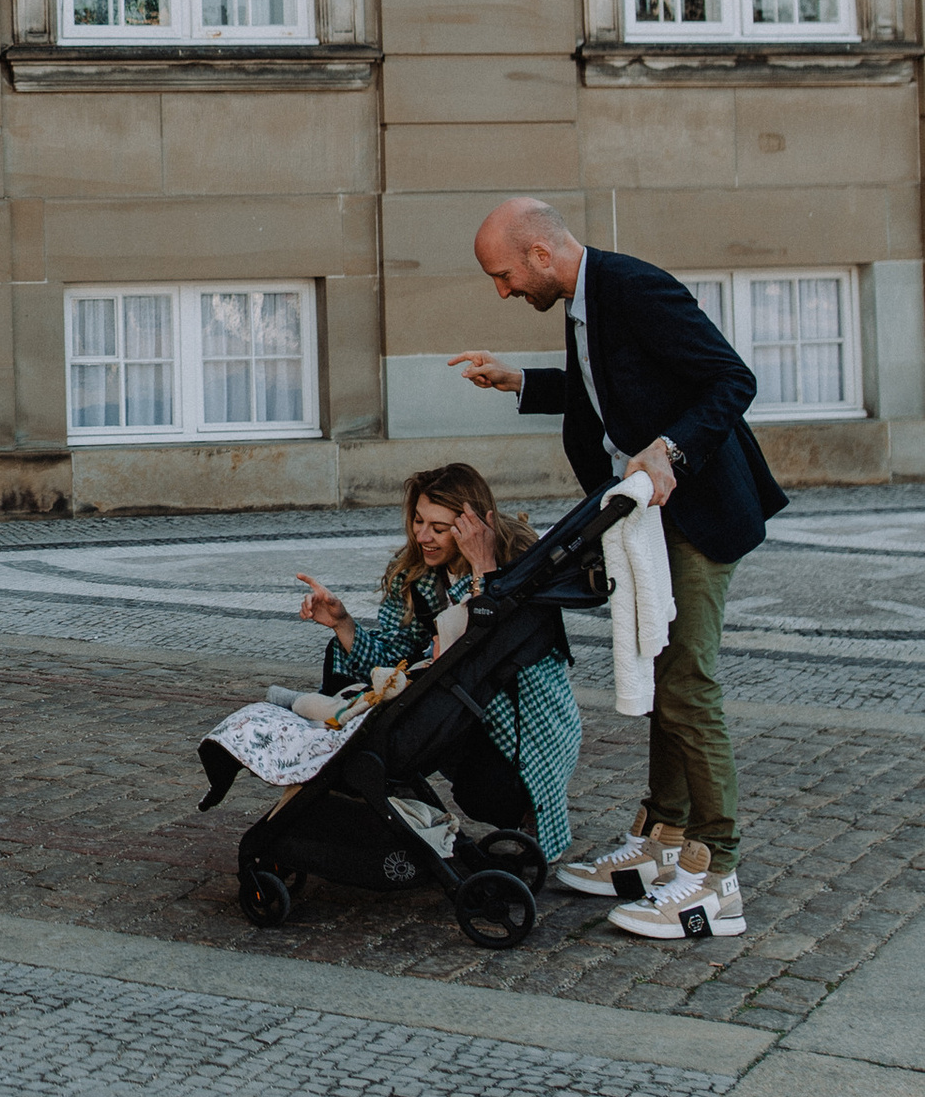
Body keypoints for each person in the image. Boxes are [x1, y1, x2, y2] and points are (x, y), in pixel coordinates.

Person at [453, 197, 785, 945]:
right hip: (651, 519)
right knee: (667, 676)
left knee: (688, 683)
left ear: (540, 252)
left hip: (697, 513)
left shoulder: (632, 287)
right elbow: (611, 388)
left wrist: (671, 448)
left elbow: (731, 380)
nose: (503, 291)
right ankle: (664, 836)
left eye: (503, 275)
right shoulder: (586, 301)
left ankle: (717, 875)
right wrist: (521, 383)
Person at [294, 463, 582, 872]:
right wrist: (344, 624)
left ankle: (526, 815)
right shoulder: (415, 576)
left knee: (483, 793)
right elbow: (393, 661)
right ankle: (347, 782)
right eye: (417, 520)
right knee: (339, 654)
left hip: (522, 723)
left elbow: (496, 641)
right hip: (456, 707)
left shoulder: (519, 561)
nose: (422, 536)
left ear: (471, 525)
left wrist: (482, 568)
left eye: (439, 527)